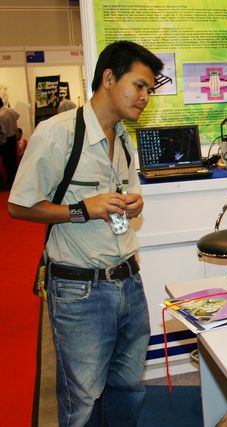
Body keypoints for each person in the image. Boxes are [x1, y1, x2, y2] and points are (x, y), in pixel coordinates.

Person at [8, 40, 163, 427]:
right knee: (82, 400)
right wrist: (81, 209)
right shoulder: (57, 133)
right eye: (139, 85)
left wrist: (133, 204)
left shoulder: (123, 138)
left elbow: (126, 192)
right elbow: (19, 206)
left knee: (128, 387)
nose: (145, 97)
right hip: (79, 289)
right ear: (109, 78)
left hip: (128, 280)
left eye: (149, 89)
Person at [0, 97, 20, 186]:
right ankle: (15, 180)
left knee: (7, 162)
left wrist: (2, 142)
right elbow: (17, 116)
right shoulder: (10, 110)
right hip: (13, 138)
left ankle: (10, 182)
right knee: (13, 161)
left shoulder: (0, 115)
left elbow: (3, 131)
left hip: (6, 141)